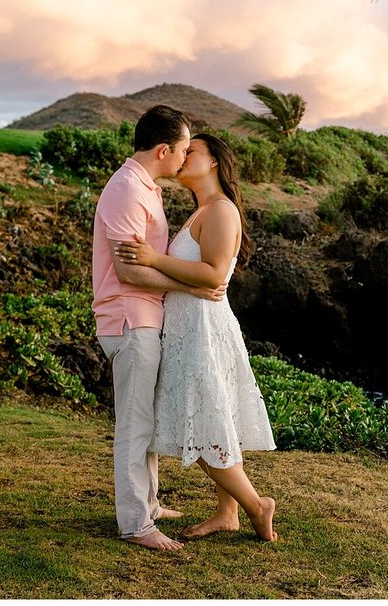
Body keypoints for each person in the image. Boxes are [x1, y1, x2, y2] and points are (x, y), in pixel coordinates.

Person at [115, 132, 278, 542]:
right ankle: (228, 513)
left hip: (204, 327)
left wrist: (155, 259)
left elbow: (213, 273)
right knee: (213, 417)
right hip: (190, 324)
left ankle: (257, 505)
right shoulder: (201, 211)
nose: (184, 157)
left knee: (204, 427)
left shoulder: (221, 211)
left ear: (215, 164)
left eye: (193, 152)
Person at [92, 105, 226, 552]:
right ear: (164, 149)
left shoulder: (144, 187)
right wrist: (189, 287)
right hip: (129, 317)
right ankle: (135, 523)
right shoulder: (127, 190)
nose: (186, 156)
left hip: (146, 318)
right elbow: (130, 272)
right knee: (134, 424)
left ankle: (147, 503)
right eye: (185, 149)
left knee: (144, 422)